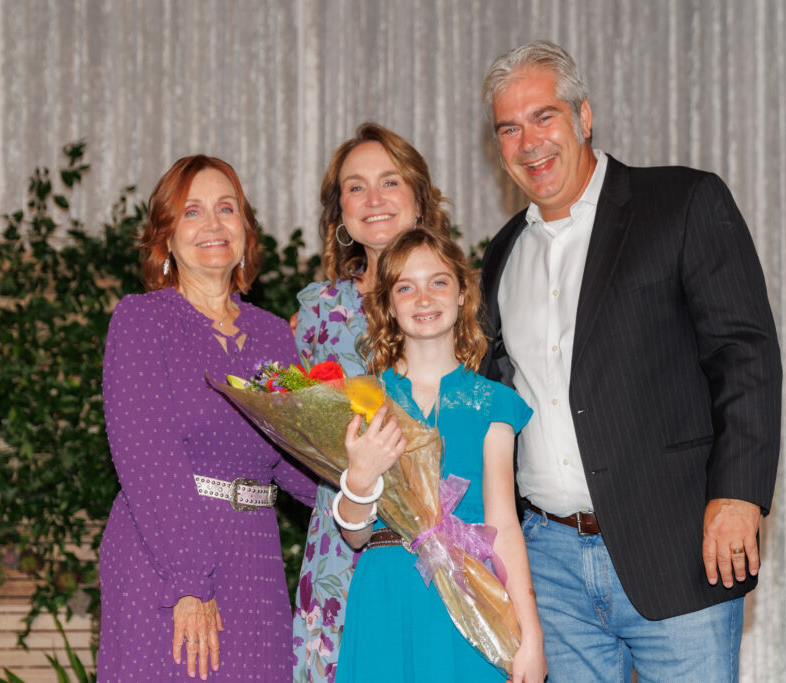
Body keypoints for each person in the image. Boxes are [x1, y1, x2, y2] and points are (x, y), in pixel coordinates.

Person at [478, 40, 782, 681]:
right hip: (551, 570)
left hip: (676, 551)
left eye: (544, 117)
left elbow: (744, 354)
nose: (529, 141)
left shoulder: (682, 203)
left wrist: (738, 496)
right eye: (509, 127)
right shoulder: (502, 255)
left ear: (584, 116)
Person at [99, 155, 317, 680]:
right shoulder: (142, 321)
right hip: (167, 562)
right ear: (165, 238)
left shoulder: (274, 337)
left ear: (245, 229)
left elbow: (295, 460)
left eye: (227, 208)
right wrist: (190, 581)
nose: (214, 224)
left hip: (256, 558)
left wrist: (365, 482)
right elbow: (147, 456)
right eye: (192, 212)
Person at [333, 228, 547, 683]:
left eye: (438, 282)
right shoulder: (365, 400)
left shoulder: (493, 403)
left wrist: (531, 636)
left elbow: (505, 524)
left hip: (470, 594)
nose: (423, 297)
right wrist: (361, 476)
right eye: (405, 287)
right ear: (388, 304)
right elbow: (353, 535)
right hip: (386, 596)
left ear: (463, 293)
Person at [291, 122, 453, 682]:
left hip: (445, 540)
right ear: (339, 212)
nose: (374, 199)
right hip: (343, 547)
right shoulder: (316, 315)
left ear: (419, 198)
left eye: (390, 181)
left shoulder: (462, 299)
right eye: (355, 187)